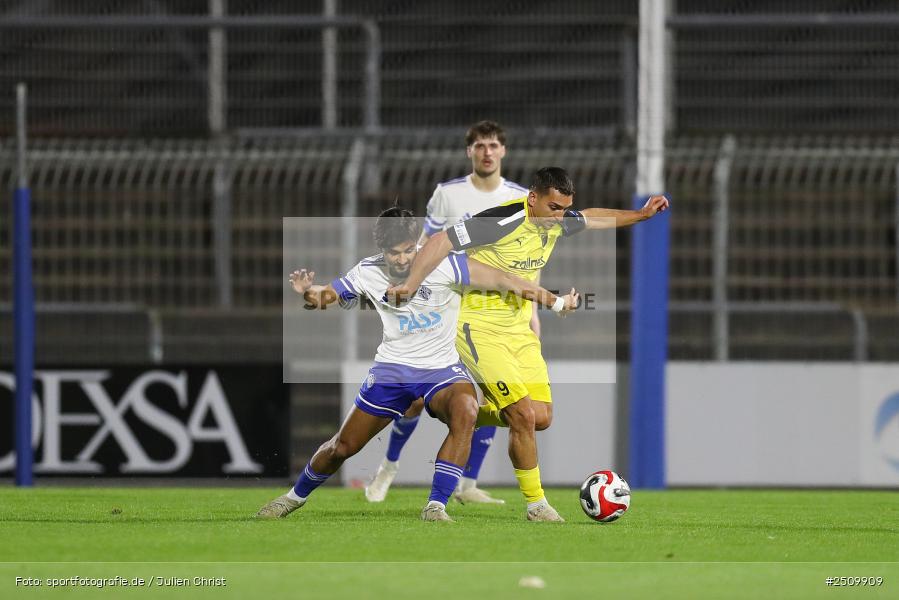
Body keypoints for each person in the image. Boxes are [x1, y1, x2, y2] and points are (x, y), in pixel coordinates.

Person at [257, 206, 578, 522]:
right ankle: (292, 498)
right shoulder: (367, 271)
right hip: (392, 371)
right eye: (394, 253)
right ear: (381, 249)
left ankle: (436, 506)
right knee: (343, 447)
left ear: (418, 244)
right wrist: (307, 293)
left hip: (442, 370)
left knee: (466, 410)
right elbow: (326, 296)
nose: (402, 259)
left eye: (409, 250)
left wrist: (557, 301)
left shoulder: (446, 264)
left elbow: (506, 280)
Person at [386, 167, 669, 521]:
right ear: (533, 198)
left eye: (564, 209)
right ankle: (537, 504)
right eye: (553, 207)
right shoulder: (501, 220)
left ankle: (459, 409)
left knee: (540, 417)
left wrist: (641, 215)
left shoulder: (558, 218)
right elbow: (440, 241)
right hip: (478, 327)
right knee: (520, 413)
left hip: (519, 330)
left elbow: (594, 217)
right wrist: (412, 284)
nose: (559, 217)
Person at [366, 120, 535, 505]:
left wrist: (533, 307)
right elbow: (426, 247)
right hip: (448, 303)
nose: (487, 152)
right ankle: (389, 466)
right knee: (413, 398)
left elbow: (528, 256)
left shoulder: (521, 198)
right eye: (480, 146)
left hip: (496, 309)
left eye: (493, 145)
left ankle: (466, 484)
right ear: (469, 152)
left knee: (494, 390)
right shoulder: (448, 194)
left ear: (503, 151)